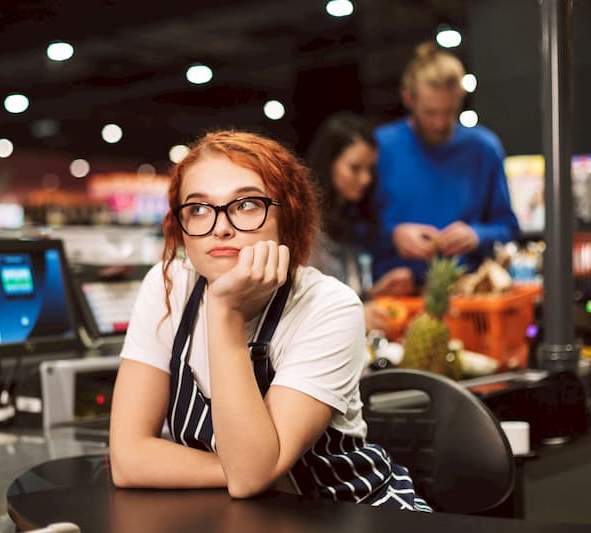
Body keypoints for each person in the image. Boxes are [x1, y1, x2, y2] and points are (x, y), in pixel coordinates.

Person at [109, 130, 431, 511]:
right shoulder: (167, 286)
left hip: (351, 514)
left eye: (246, 204)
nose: (220, 226)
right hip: (246, 516)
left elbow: (249, 478)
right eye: (197, 209)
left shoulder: (328, 306)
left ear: (288, 215)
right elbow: (128, 461)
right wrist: (249, 468)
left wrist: (224, 312)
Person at [372, 42, 520, 286]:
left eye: (450, 111)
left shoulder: (484, 148)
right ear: (408, 98)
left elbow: (508, 225)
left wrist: (477, 234)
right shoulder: (381, 147)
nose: (441, 123)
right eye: (430, 112)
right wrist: (393, 236)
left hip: (467, 291)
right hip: (395, 294)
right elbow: (353, 228)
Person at [306, 112, 415, 333]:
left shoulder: (354, 218)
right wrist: (357, 316)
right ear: (329, 163)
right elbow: (303, 308)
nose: (365, 179)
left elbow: (344, 292)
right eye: (355, 168)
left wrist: (377, 293)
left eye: (370, 170)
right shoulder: (306, 224)